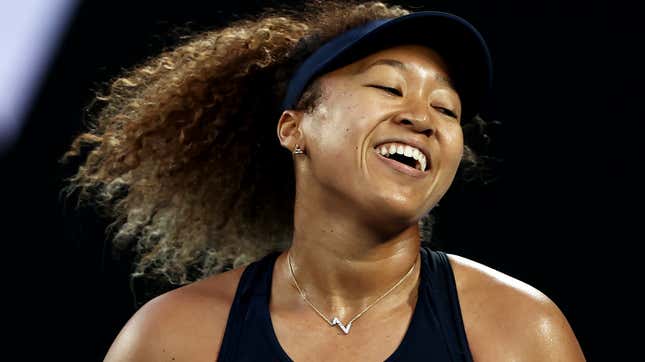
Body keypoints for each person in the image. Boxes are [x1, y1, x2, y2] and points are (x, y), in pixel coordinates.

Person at [61, 1, 586, 361]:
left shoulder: (517, 330)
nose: (423, 118)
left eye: (446, 108)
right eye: (388, 85)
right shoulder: (174, 335)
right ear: (296, 128)